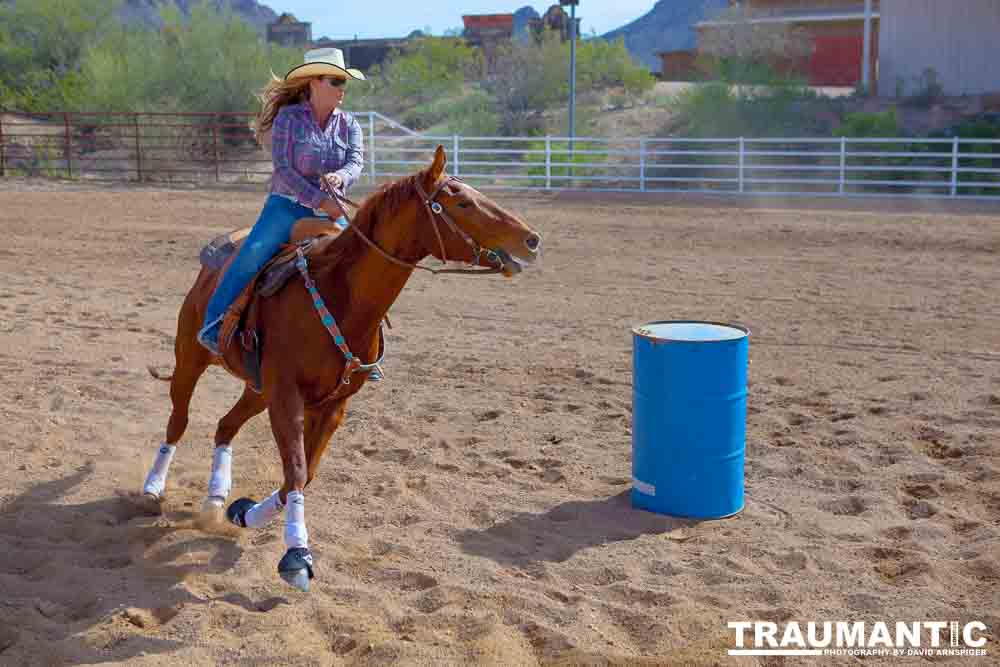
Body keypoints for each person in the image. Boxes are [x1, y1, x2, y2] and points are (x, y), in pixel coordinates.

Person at [198, 47, 381, 379]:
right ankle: (213, 324)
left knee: (361, 264)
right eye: (336, 81)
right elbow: (284, 167)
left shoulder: (349, 124)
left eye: (343, 81)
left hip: (330, 207)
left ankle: (362, 348)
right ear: (314, 82)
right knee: (252, 255)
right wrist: (319, 200)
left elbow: (356, 161)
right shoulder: (289, 119)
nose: (342, 88)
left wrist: (341, 177)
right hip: (285, 206)